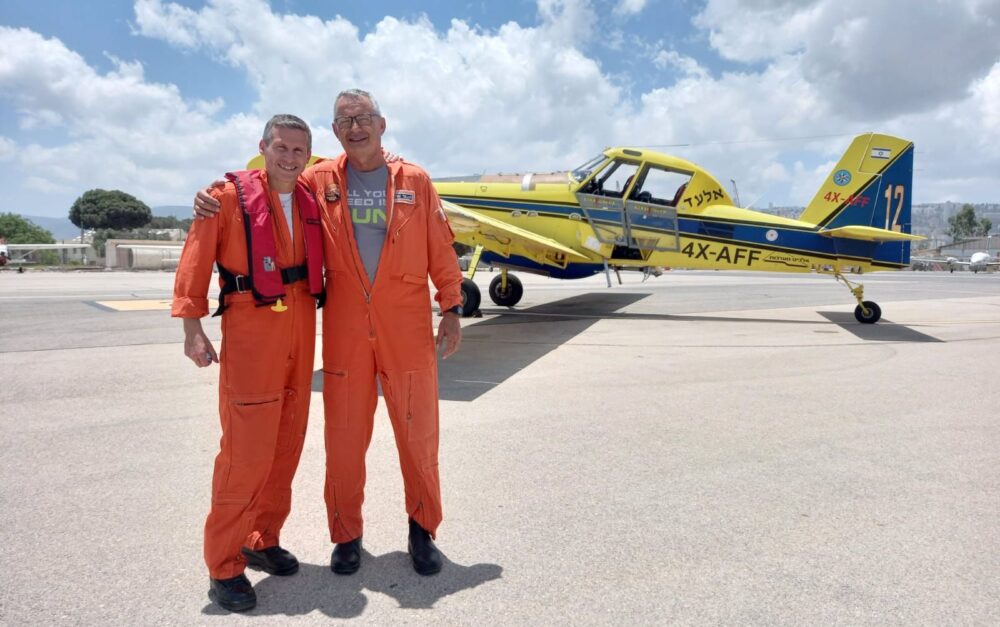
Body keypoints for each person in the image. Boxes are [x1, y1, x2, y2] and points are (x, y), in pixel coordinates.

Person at [196, 89, 464, 576]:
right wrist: (216, 193)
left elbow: (440, 247)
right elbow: (268, 181)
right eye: (345, 121)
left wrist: (451, 305)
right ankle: (347, 534)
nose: (355, 127)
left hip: (405, 327)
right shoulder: (319, 180)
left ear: (382, 124)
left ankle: (422, 531)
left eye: (364, 118)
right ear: (336, 131)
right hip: (343, 329)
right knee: (342, 438)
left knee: (418, 435)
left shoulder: (415, 181)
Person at [174, 114, 325, 612]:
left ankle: (261, 537)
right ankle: (223, 565)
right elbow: (195, 262)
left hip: (301, 321)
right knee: (246, 450)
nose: (289, 158)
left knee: (287, 441)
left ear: (308, 155)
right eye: (280, 148)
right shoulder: (222, 199)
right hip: (251, 324)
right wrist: (192, 327)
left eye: (299, 151)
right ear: (262, 147)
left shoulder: (312, 197)